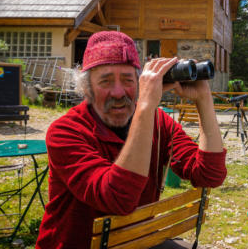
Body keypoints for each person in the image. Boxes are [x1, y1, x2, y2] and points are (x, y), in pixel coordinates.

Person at [36, 31, 226, 248]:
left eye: (128, 80)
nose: (118, 92)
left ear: (139, 83)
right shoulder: (66, 131)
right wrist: (145, 107)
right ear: (86, 87)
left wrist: (203, 99)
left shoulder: (158, 122)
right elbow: (117, 199)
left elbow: (209, 175)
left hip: (136, 241)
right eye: (106, 81)